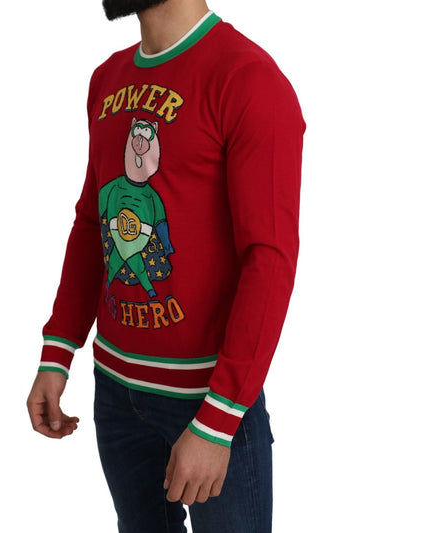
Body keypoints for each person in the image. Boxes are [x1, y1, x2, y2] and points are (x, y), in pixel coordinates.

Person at [27, 0, 305, 531]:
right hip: (115, 389)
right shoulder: (107, 79)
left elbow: (269, 260)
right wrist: (58, 352)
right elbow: (92, 223)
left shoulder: (249, 80)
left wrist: (219, 419)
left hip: (207, 398)